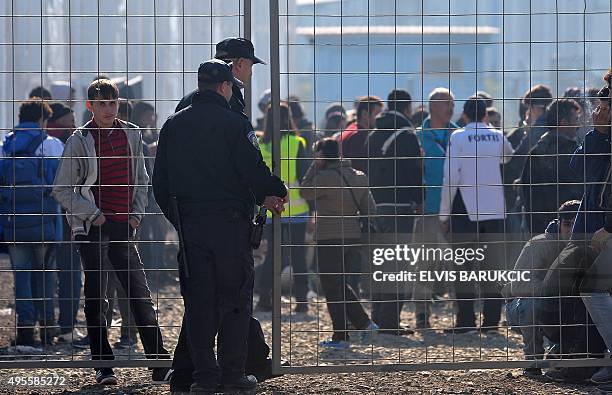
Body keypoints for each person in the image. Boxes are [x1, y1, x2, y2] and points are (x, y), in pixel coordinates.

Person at [153, 59, 287, 394]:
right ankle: (232, 376)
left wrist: (181, 219)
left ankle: (203, 379)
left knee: (199, 305)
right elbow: (252, 169)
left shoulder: (173, 125)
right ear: (226, 87)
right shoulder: (234, 123)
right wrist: (275, 191)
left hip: (191, 226)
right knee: (235, 302)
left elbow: (161, 185)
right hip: (230, 228)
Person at [52, 78, 171, 385]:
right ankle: (104, 367)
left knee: (138, 293)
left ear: (119, 104)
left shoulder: (131, 133)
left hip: (124, 224)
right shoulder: (80, 140)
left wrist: (136, 214)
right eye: (101, 103)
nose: (107, 109)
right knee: (96, 297)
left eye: (112, 103)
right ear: (89, 106)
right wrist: (94, 214)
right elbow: (62, 190)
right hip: (94, 227)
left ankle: (159, 362)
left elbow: (142, 178)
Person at [439, 96, 514, 333]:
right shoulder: (498, 135)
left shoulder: (458, 136)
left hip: (464, 208)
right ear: (484, 114)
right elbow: (508, 155)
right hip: (494, 209)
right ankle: (491, 321)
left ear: (464, 115)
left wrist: (444, 214)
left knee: (463, 268)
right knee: (492, 267)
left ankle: (465, 321)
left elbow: (450, 177)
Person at [299, 138, 379, 348]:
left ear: (322, 156)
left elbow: (304, 190)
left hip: (329, 238)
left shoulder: (324, 177)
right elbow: (371, 210)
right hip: (353, 237)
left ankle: (345, 334)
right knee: (340, 283)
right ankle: (359, 326)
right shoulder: (359, 176)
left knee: (331, 286)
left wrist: (313, 167)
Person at [0, 98, 64, 347]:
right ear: (43, 119)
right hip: (45, 222)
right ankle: (48, 328)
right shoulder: (52, 145)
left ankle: (26, 330)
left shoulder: (6, 144)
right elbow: (61, 185)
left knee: (21, 277)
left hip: (14, 222)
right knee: (46, 276)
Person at [502, 200, 580, 378]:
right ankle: (533, 362)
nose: (572, 230)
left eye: (577, 225)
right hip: (524, 305)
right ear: (559, 223)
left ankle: (566, 355)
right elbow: (519, 285)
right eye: (568, 224)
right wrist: (554, 290)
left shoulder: (592, 242)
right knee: (531, 305)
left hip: (566, 306)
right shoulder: (539, 244)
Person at [367, 89, 423, 334]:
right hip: (400, 207)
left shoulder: (374, 134)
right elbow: (414, 171)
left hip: (377, 205)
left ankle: (378, 316)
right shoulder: (407, 135)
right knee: (399, 264)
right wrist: (419, 199)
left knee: (382, 262)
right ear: (408, 108)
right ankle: (390, 321)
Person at [256, 103, 310, 312]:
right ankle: (302, 301)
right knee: (298, 255)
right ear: (289, 119)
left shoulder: (261, 144)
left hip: (271, 209)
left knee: (272, 256)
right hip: (296, 209)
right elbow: (304, 176)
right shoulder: (297, 142)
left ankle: (264, 298)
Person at [414, 87, 457, 329]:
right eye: (446, 104)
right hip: (428, 210)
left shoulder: (458, 135)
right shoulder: (418, 136)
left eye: (452, 104)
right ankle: (422, 315)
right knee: (425, 264)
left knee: (459, 263)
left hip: (454, 210)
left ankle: (463, 317)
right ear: (432, 107)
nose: (451, 108)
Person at [520, 98, 584, 237]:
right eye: (575, 120)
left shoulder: (535, 152)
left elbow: (527, 196)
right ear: (563, 123)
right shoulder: (575, 153)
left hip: (542, 232)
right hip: (572, 230)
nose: (578, 125)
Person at [337, 95, 384, 173]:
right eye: (377, 114)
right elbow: (361, 170)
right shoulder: (360, 136)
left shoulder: (350, 129)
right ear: (365, 114)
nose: (380, 118)